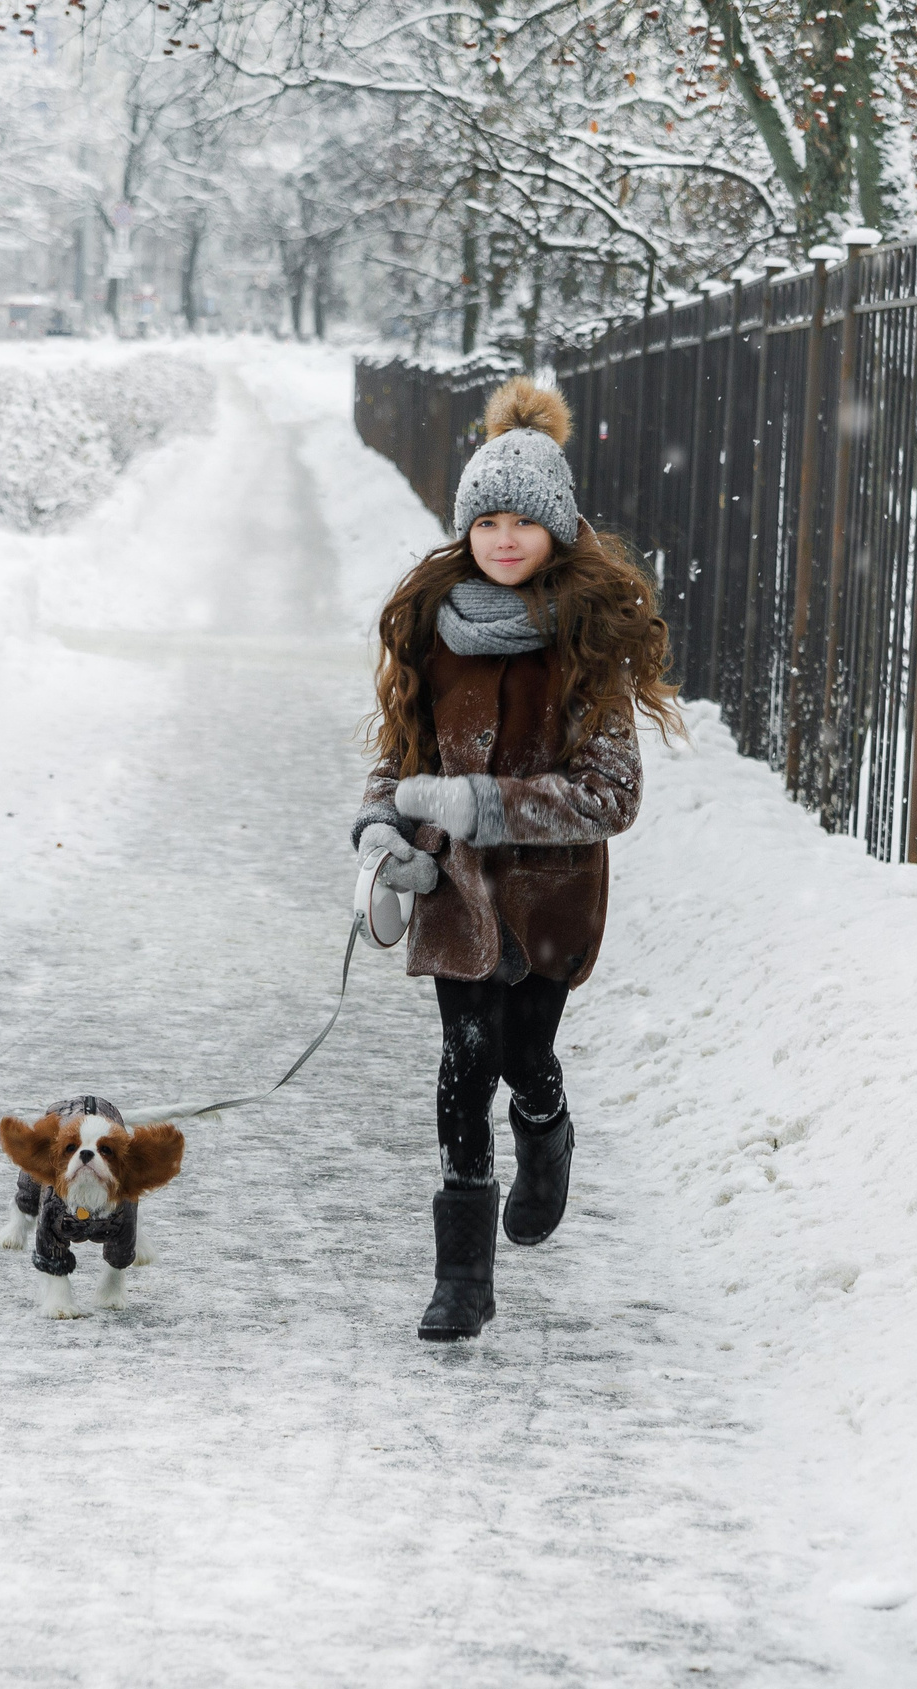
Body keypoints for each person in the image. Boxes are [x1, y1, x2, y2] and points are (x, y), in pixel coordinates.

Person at [351, 374, 682, 1341]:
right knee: (462, 1063)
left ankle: (547, 1134)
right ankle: (462, 1281)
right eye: (485, 519)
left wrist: (484, 805)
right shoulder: (430, 631)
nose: (503, 538)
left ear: (557, 532)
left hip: (548, 906)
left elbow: (610, 795)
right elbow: (397, 758)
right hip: (455, 899)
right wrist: (382, 829)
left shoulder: (587, 647)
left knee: (522, 1056)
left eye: (522, 523)